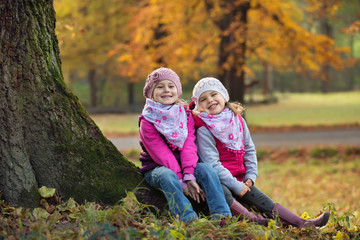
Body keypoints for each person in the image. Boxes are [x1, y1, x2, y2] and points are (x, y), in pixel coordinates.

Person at [190, 77, 330, 228]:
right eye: (203, 99)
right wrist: (237, 186)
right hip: (219, 180)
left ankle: (303, 223)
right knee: (224, 193)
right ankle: (258, 222)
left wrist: (251, 175)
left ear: (223, 95)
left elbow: (249, 149)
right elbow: (213, 164)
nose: (210, 100)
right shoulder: (204, 129)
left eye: (213, 94)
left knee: (263, 200)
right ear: (199, 106)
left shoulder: (237, 120)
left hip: (240, 177)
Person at [138, 68, 232, 222]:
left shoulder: (185, 114)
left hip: (186, 166)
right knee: (167, 176)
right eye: (160, 87)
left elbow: (189, 145)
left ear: (178, 90)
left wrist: (189, 174)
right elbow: (162, 154)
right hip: (158, 168)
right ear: (151, 93)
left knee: (207, 169)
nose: (166, 90)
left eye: (171, 86)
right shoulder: (147, 120)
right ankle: (188, 220)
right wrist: (183, 183)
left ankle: (222, 216)